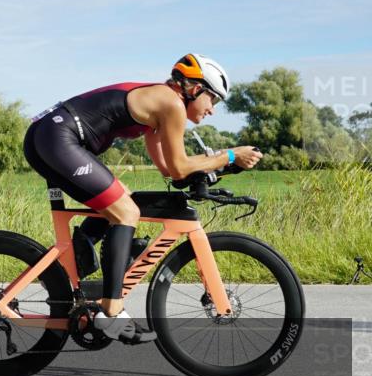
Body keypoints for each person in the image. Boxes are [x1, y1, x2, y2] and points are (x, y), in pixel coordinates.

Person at [23, 54, 263, 344]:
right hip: (58, 136)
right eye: (213, 100)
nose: (212, 110)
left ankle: (79, 258)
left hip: (50, 135)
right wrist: (231, 154)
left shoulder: (159, 108)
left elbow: (170, 171)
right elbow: (179, 167)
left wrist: (223, 168)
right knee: (126, 213)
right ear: (195, 89)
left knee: (123, 199)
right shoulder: (171, 103)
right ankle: (111, 309)